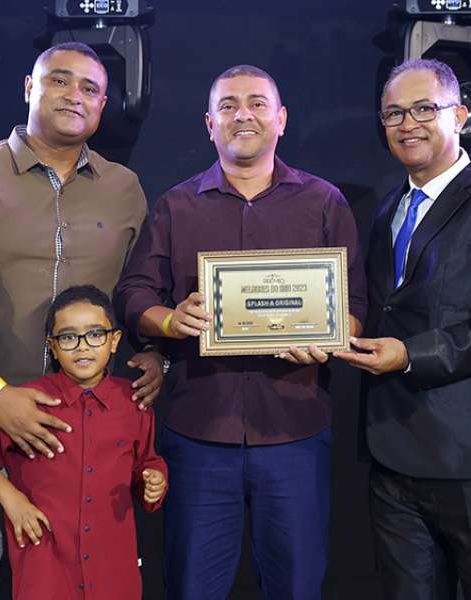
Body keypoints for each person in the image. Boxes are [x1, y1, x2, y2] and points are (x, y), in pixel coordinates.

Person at [0, 42, 164, 600]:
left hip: (84, 433)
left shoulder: (124, 188)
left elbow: (136, 291)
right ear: (30, 87)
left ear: (103, 105)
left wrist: (152, 353)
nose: (75, 95)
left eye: (90, 88)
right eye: (60, 80)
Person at [113, 64, 368, 599]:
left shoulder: (325, 202)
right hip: (199, 431)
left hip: (296, 429)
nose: (242, 114)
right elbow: (134, 293)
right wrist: (170, 320)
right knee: (191, 588)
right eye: (228, 105)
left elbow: (354, 305)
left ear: (281, 119)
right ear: (210, 124)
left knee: (297, 587)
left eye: (256, 103)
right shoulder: (176, 205)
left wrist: (330, 338)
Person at [335, 58, 471, 599]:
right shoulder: (387, 210)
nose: (406, 124)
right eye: (393, 113)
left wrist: (411, 356)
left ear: (460, 115)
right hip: (392, 455)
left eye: (423, 109)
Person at [0, 285, 167, 600]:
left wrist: (154, 481)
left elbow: (146, 464)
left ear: (114, 341)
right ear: (52, 347)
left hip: (112, 568)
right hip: (45, 565)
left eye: (95, 334)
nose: (82, 347)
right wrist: (12, 501)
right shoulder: (28, 402)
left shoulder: (133, 403)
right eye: (68, 337)